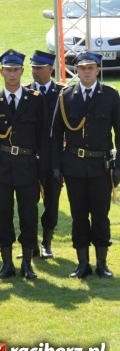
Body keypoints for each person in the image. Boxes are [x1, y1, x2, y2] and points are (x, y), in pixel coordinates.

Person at [0, 50, 48, 280]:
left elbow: (42, 139)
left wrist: (43, 170)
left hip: (28, 165)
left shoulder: (36, 100)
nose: (12, 74)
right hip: (1, 167)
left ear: (22, 71)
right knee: (4, 216)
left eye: (16, 69)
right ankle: (6, 263)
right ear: (1, 72)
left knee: (29, 215)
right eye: (8, 70)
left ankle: (27, 264)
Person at [51, 51, 119, 279]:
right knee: (79, 215)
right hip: (74, 165)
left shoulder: (110, 95)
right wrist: (56, 165)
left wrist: (118, 165)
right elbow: (56, 134)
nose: (87, 71)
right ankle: (82, 264)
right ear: (76, 71)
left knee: (100, 215)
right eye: (82, 68)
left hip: (101, 166)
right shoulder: (66, 96)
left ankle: (102, 264)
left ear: (98, 70)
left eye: (91, 67)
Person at [26, 50, 63, 259]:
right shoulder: (24, 92)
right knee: (28, 202)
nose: (35, 71)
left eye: (39, 68)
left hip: (52, 155)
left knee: (52, 202)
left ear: (50, 69)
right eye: (33, 67)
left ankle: (46, 242)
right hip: (29, 155)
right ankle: (30, 244)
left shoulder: (61, 93)